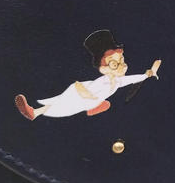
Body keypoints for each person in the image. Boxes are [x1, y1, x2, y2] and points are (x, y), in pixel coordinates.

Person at [14, 30, 161, 121]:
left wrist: (146, 74)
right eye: (114, 64)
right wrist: (88, 96)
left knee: (66, 106)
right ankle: (34, 112)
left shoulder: (118, 81)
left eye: (122, 60)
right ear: (103, 69)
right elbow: (86, 90)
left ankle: (35, 112)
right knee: (60, 104)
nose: (122, 65)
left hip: (90, 100)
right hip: (81, 94)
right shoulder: (104, 81)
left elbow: (130, 79)